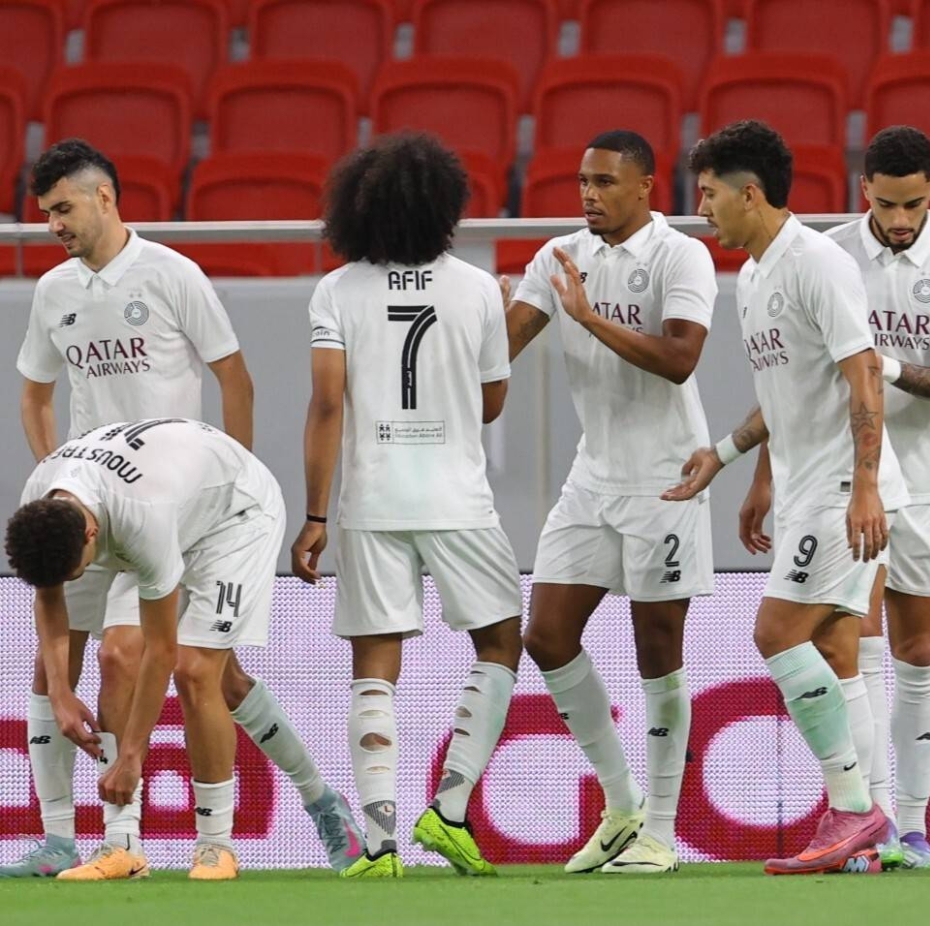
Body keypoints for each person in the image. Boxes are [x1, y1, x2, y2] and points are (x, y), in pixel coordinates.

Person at [0, 139, 360, 881]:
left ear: (105, 197)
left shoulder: (172, 275)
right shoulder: (54, 291)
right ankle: (72, 840)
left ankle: (152, 836)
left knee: (159, 661)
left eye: (62, 209)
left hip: (183, 505)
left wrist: (230, 470)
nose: (52, 226)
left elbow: (235, 377)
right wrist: (55, 471)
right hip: (94, 498)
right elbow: (34, 392)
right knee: (62, 666)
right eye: (43, 215)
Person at [664, 120, 910, 874]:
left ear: (750, 193)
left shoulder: (816, 263)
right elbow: (786, 394)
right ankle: (871, 830)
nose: (701, 208)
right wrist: (733, 460)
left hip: (843, 489)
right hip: (809, 485)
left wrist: (864, 485)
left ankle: (851, 810)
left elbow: (863, 372)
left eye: (708, 194)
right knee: (837, 649)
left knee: (775, 633)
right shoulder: (757, 274)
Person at [743, 126, 930, 869]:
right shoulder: (831, 253)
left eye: (915, 203)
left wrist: (879, 363)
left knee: (917, 653)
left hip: (929, 482)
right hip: (851, 480)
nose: (903, 218)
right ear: (865, 194)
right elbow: (792, 381)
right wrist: (763, 471)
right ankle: (871, 826)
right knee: (856, 647)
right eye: (888, 204)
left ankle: (911, 828)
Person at [292, 132, 523, 879]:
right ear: (446, 208)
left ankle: (381, 842)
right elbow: (491, 405)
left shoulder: (338, 290)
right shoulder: (480, 286)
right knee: (498, 643)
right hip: (457, 497)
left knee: (374, 666)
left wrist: (316, 515)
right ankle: (449, 812)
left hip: (369, 497)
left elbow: (327, 404)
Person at [504, 130, 717, 874]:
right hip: (591, 478)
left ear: (646, 187)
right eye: (582, 181)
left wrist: (592, 319)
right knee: (547, 635)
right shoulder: (558, 256)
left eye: (604, 181)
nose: (589, 194)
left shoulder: (681, 255)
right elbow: (506, 344)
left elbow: (681, 357)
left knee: (658, 651)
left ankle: (659, 830)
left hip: (667, 476)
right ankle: (623, 804)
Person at [6, 418, 291, 880]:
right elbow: (51, 595)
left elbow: (161, 651)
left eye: (75, 570)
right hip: (159, 493)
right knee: (115, 656)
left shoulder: (144, 519)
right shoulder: (42, 500)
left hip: (234, 514)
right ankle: (122, 848)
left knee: (197, 670)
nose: (71, 580)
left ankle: (216, 845)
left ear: (90, 537)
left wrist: (132, 756)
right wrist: (59, 692)